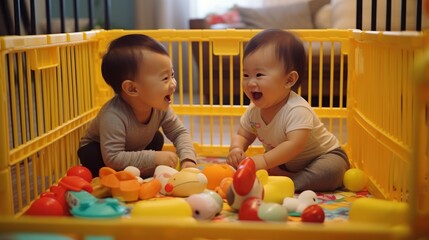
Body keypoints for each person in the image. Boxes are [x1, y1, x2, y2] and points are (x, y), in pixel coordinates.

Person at [227, 29, 349, 192]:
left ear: (289, 80)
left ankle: (289, 182)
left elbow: (294, 145)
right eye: (246, 75)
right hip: (285, 163)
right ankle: (282, 177)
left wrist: (264, 161)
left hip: (325, 157)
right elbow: (243, 134)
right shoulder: (254, 110)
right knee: (264, 164)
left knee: (331, 172)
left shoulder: (296, 109)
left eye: (259, 74)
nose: (250, 82)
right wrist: (237, 148)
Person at [78, 34, 197, 178]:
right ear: (132, 89)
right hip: (104, 154)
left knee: (156, 138)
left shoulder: (160, 107)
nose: (173, 83)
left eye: (172, 74)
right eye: (165, 78)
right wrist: (154, 158)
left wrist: (188, 160)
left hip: (134, 149)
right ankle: (122, 175)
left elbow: (179, 133)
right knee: (89, 154)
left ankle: (137, 172)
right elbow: (113, 157)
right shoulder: (113, 116)